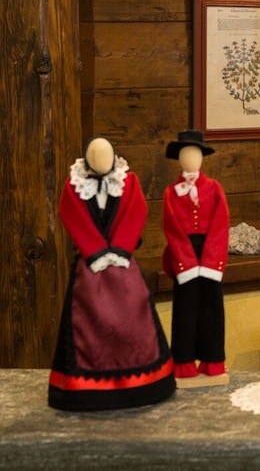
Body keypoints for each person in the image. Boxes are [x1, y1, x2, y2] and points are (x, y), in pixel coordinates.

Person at [49, 137, 175, 410]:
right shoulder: (74, 185)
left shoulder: (129, 182)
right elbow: (71, 214)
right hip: (89, 268)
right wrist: (95, 251)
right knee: (87, 322)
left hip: (123, 265)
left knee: (133, 319)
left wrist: (120, 249)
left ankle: (142, 385)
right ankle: (89, 390)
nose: (100, 160)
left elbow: (136, 211)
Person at [162, 129, 231, 383]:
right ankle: (184, 362)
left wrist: (212, 261)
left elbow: (221, 225)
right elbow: (172, 229)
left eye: (195, 154)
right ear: (178, 158)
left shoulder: (214, 188)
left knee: (212, 308)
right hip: (184, 254)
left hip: (210, 251)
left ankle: (213, 360)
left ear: (202, 158)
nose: (190, 159)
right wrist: (186, 263)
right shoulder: (171, 192)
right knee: (185, 309)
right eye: (185, 154)